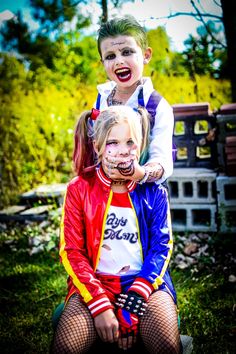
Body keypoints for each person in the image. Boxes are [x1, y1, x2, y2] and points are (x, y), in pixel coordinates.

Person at [52, 105, 180, 353]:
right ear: (98, 147)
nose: (123, 151)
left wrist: (137, 296)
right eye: (113, 142)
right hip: (94, 285)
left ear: (140, 146)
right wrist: (99, 304)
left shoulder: (155, 192)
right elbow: (72, 251)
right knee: (65, 349)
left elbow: (161, 248)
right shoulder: (79, 189)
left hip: (147, 286)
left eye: (130, 142)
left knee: (166, 347)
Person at [89, 15, 175, 186]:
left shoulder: (157, 106)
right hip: (106, 195)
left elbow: (162, 159)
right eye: (110, 56)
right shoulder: (101, 100)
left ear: (146, 55)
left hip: (145, 199)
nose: (119, 61)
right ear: (102, 62)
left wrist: (140, 173)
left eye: (127, 52)